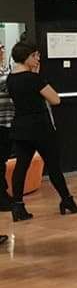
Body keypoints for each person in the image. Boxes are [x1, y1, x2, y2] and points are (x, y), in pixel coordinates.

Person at [7, 41, 77, 221]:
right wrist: (37, 77)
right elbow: (55, 99)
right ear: (27, 57)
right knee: (54, 166)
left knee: (21, 166)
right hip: (40, 128)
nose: (38, 59)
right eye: (35, 55)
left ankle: (18, 206)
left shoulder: (11, 79)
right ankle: (67, 200)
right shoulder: (34, 79)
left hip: (21, 127)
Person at [0, 44, 13, 214]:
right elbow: (8, 83)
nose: (2, 51)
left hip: (7, 121)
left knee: (2, 160)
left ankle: (3, 193)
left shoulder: (4, 69)